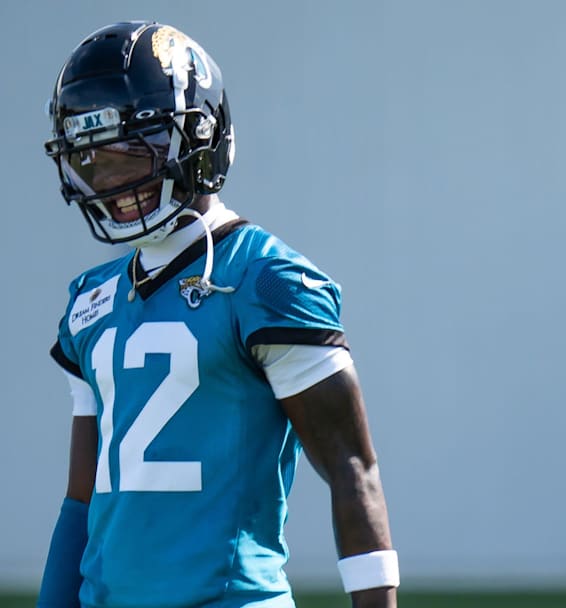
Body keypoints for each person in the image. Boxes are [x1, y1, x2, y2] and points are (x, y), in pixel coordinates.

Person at [36, 22, 397, 608]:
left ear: (199, 137)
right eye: (92, 160)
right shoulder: (89, 301)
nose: (113, 181)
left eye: (131, 153)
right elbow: (83, 496)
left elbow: (352, 470)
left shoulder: (267, 280)